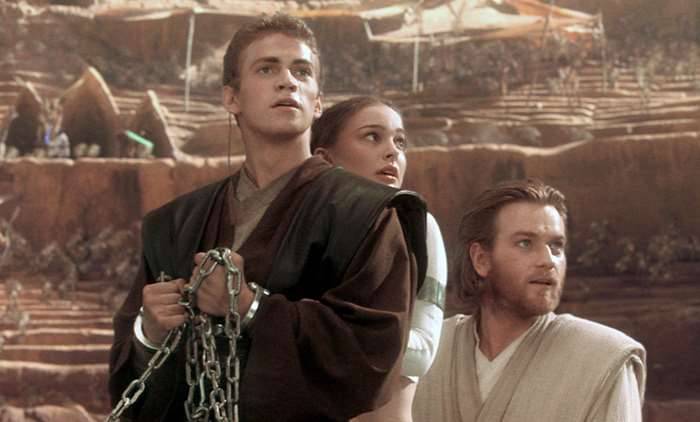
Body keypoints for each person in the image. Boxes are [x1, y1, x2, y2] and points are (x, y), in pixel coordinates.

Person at [108, 13, 427, 422]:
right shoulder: (174, 224)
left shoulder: (367, 214)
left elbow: (373, 352)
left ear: (317, 102)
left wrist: (250, 307)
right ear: (232, 98)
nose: (287, 81)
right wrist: (148, 333)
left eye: (302, 71)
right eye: (267, 69)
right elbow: (130, 388)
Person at [413, 179, 646, 422]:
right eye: (525, 243)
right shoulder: (427, 349)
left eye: (556, 247)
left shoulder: (603, 360)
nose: (548, 261)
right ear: (481, 259)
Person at [311, 96, 447, 422]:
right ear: (324, 159)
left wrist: (317, 333)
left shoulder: (416, 227)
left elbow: (423, 353)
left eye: (399, 142)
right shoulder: (300, 233)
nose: (392, 152)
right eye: (372, 136)